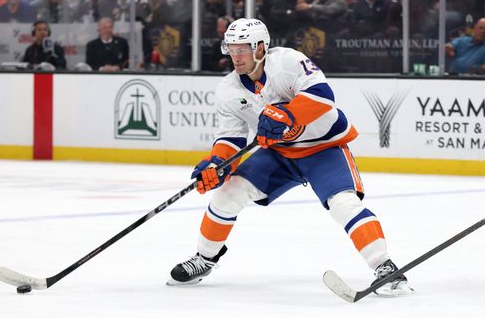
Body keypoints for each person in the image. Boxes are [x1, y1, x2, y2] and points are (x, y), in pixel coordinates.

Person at [167, 18, 413, 296]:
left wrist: (289, 114)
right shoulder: (228, 90)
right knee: (228, 192)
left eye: (242, 49)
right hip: (278, 154)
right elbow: (231, 140)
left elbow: (322, 95)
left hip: (323, 148)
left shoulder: (287, 62)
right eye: (231, 49)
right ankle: (204, 258)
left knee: (343, 203)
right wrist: (216, 165)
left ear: (260, 48)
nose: (235, 56)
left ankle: (386, 267)